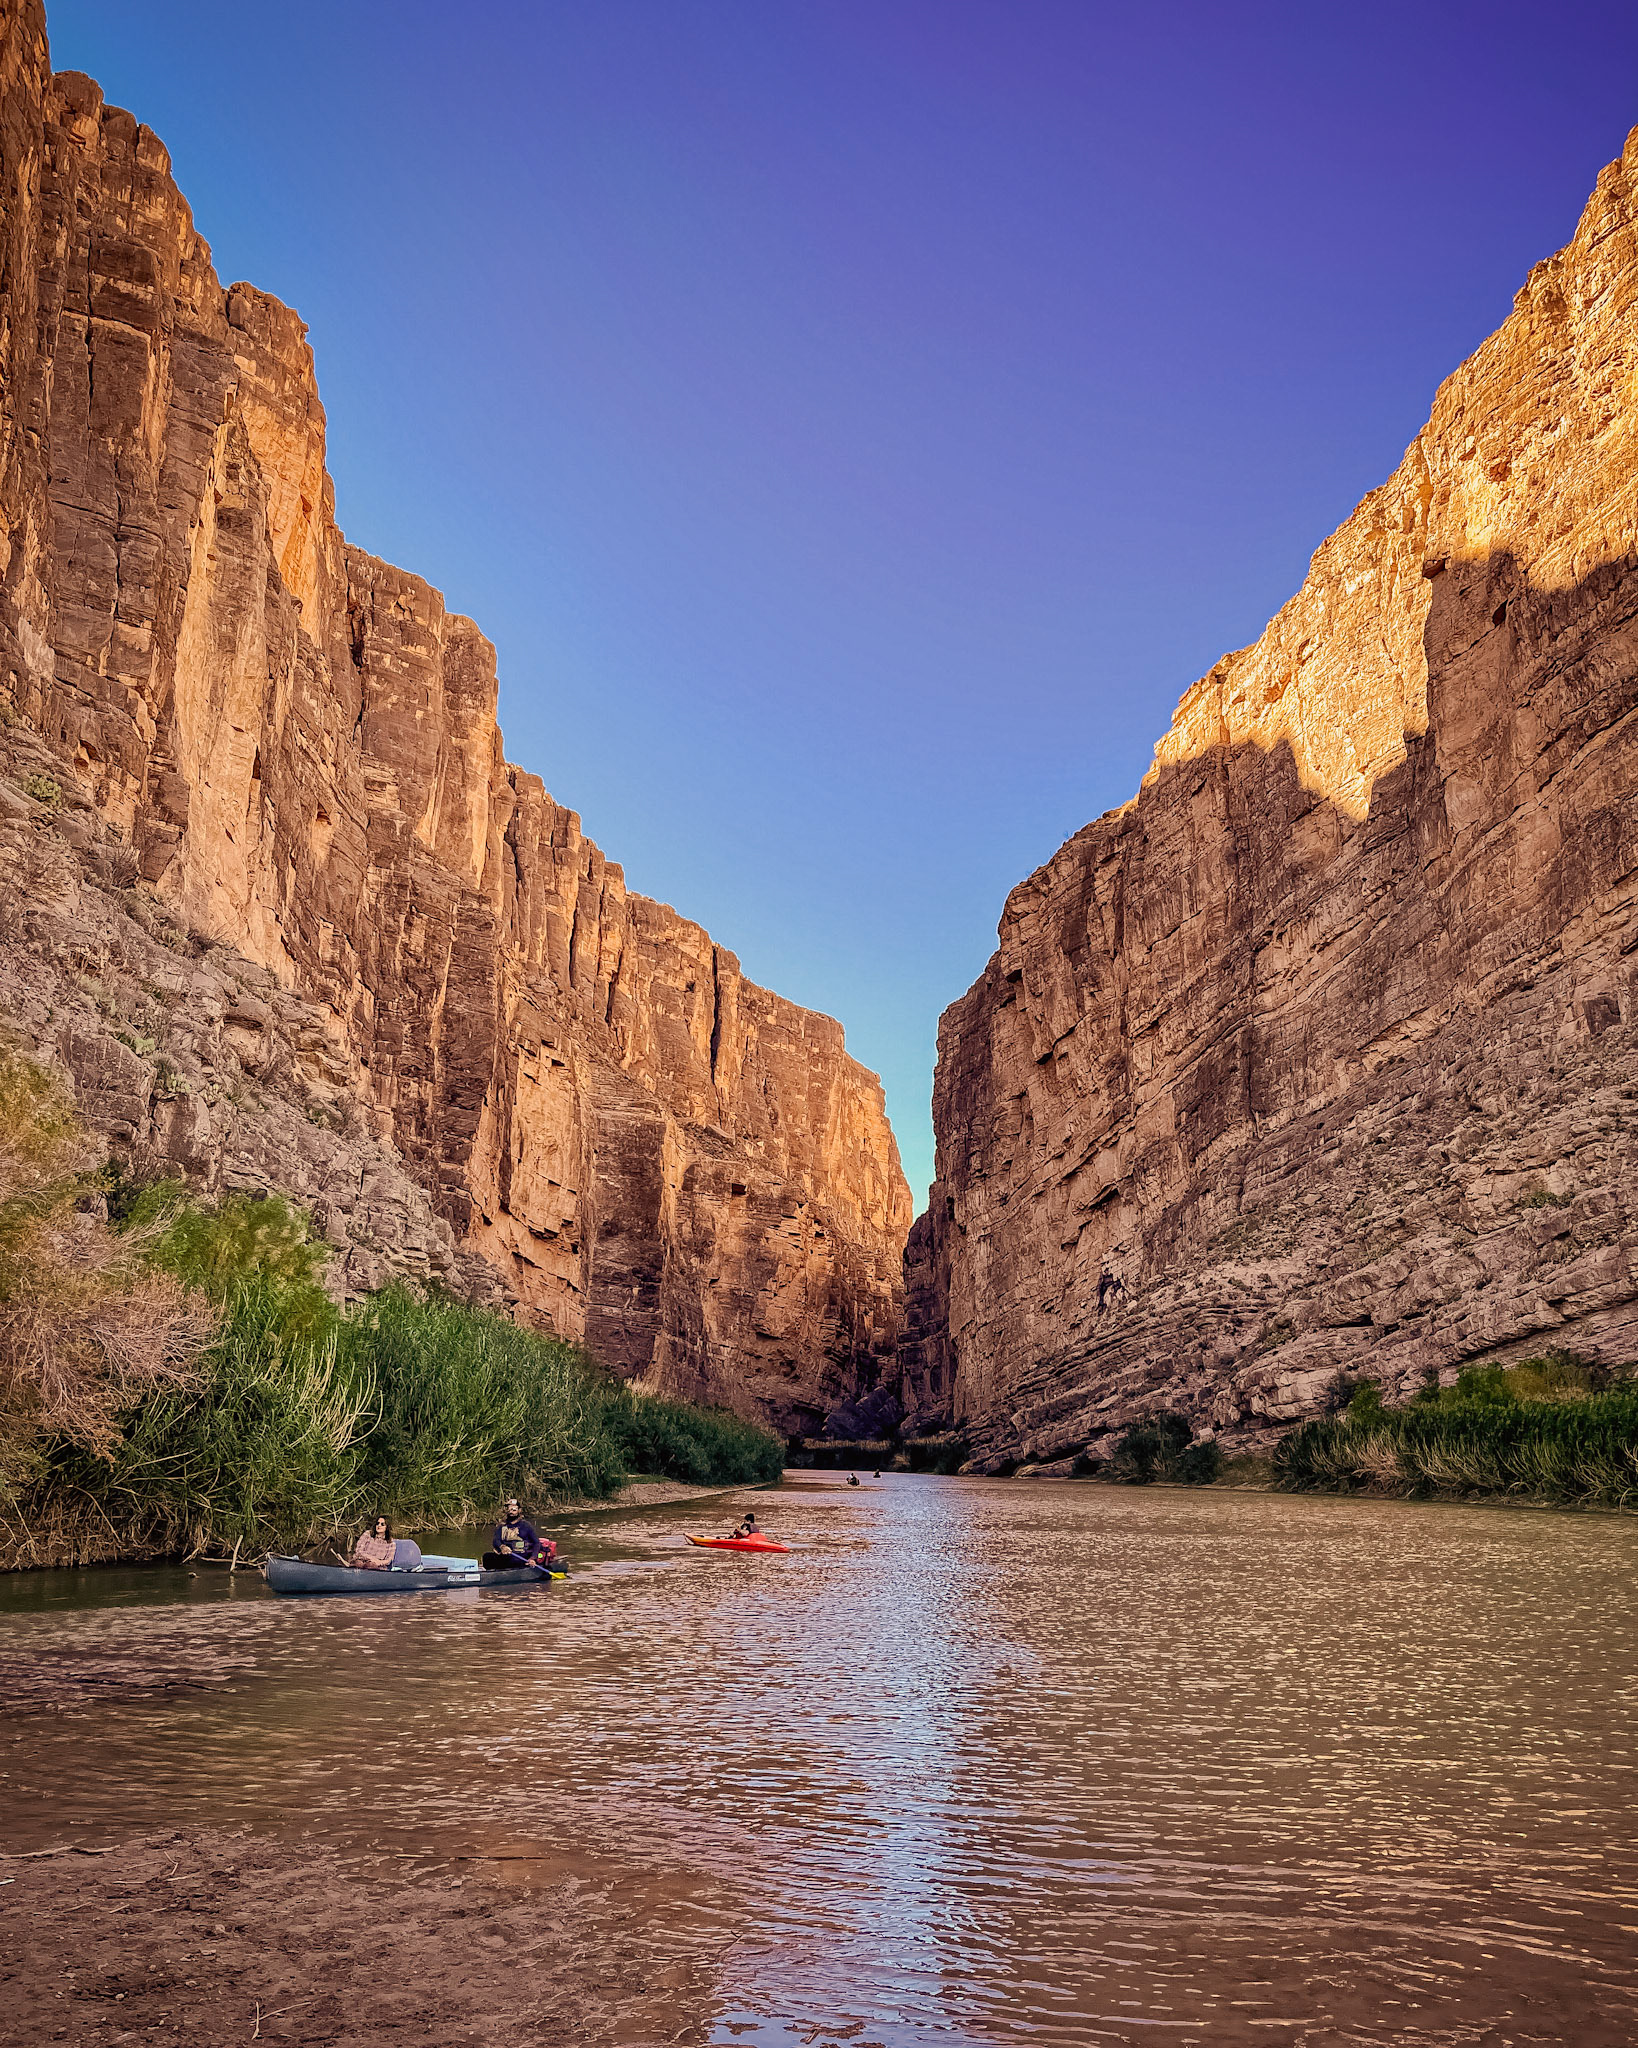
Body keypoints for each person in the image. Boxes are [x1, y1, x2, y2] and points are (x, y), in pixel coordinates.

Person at [483, 1497, 543, 1570]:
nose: (511, 1512)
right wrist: (502, 1547)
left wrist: (533, 1558)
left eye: (514, 1510)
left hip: (521, 1556)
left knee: (514, 1560)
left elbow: (536, 1543)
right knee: (486, 1557)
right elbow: (496, 1540)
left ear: (519, 1510)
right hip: (506, 1555)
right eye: (509, 1509)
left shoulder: (526, 1525)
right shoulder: (501, 1525)